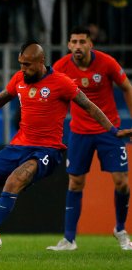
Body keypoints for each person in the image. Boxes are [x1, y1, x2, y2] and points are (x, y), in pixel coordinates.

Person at [0, 40, 132, 258]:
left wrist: (113, 131)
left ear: (41, 61)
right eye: (20, 64)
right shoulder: (19, 78)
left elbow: (89, 106)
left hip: (48, 150)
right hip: (19, 145)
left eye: (27, 64)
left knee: (14, 180)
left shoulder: (61, 82)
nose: (23, 69)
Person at [47, 26, 132, 251]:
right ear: (68, 45)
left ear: (90, 44)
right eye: (73, 42)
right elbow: (53, 96)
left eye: (82, 42)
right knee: (76, 182)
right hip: (79, 132)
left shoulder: (106, 63)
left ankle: (120, 230)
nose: (77, 46)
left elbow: (127, 87)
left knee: (122, 182)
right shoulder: (61, 67)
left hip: (109, 130)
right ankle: (68, 239)